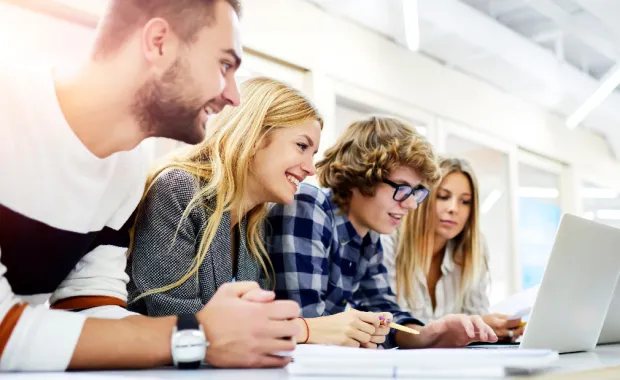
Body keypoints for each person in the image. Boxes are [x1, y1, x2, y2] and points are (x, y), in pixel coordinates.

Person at [0, 0, 300, 371]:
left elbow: (88, 308)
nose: (233, 96)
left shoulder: (125, 167)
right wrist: (196, 335)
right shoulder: (6, 109)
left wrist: (225, 334)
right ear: (158, 42)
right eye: (224, 65)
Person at [266, 116, 499, 348]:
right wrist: (360, 335)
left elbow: (385, 315)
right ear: (362, 175)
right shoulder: (309, 206)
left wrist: (430, 333)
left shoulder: (369, 237)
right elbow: (309, 326)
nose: (411, 205)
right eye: (402, 189)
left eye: (417, 192)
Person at [126, 77, 322, 317]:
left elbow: (252, 320)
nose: (311, 169)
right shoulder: (179, 189)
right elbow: (176, 318)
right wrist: (305, 329)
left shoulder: (252, 226)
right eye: (302, 146)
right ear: (253, 137)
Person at [382, 157, 525, 342]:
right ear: (421, 197)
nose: (453, 209)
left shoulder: (471, 252)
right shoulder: (388, 244)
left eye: (465, 201)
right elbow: (388, 327)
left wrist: (491, 330)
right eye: (443, 197)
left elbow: (476, 315)